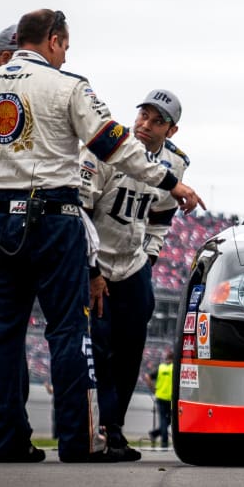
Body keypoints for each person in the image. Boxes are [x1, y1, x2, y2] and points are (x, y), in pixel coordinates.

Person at [0, 9, 203, 463]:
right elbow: (114, 145)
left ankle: (4, 442)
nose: (65, 54)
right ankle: (80, 440)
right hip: (55, 215)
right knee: (70, 331)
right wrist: (170, 182)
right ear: (53, 40)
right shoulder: (68, 86)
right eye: (64, 45)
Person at [82, 89, 189, 461]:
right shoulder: (107, 149)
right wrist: (92, 270)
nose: (145, 124)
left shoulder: (175, 164)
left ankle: (114, 429)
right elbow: (81, 211)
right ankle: (94, 427)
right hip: (94, 259)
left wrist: (150, 259)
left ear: (171, 131)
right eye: (143, 115)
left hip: (132, 263)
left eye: (157, 121)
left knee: (130, 351)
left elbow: (160, 219)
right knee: (97, 348)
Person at [147, 350, 174, 448]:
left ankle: (155, 434)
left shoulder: (160, 368)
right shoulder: (174, 368)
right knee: (169, 420)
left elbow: (148, 377)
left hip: (160, 396)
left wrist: (153, 388)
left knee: (163, 419)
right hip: (170, 398)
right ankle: (164, 441)